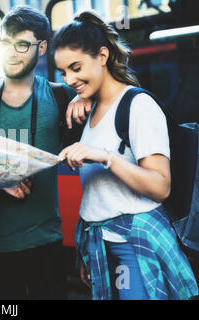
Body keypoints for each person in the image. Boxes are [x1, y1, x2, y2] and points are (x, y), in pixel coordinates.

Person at [53, 11, 199, 300]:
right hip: (100, 243)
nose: (69, 78)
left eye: (76, 67)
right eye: (63, 72)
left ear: (103, 55)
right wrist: (89, 252)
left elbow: (160, 186)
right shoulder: (90, 108)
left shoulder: (139, 106)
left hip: (133, 246)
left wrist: (106, 157)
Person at [0, 5, 92, 300]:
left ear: (41, 48)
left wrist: (85, 96)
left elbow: (121, 94)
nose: (11, 53)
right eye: (5, 44)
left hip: (47, 242)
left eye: (22, 45)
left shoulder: (61, 95)